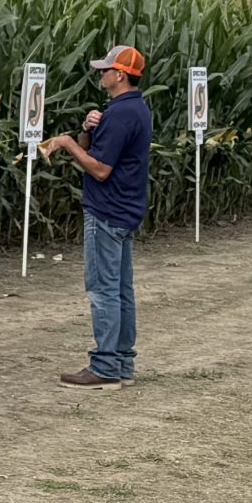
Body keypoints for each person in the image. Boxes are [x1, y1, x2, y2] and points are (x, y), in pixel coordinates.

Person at [38, 45, 151, 387]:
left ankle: (104, 367)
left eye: (105, 69)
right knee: (121, 291)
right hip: (126, 210)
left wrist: (66, 142)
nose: (100, 74)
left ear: (120, 75)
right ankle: (122, 363)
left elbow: (100, 169)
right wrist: (87, 131)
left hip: (107, 210)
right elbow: (97, 150)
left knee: (103, 291)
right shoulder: (134, 109)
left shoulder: (121, 114)